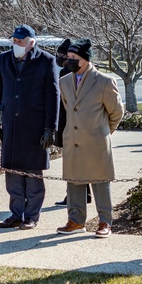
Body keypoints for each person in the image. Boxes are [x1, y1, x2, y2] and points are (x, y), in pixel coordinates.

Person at [0, 24, 59, 230]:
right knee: (13, 173)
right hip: (11, 125)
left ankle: (32, 215)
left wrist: (50, 129)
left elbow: (53, 96)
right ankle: (16, 214)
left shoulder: (46, 60)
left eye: (20, 41)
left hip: (34, 126)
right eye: (14, 40)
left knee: (33, 174)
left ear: (31, 42)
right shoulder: (4, 59)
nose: (16, 44)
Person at [55, 38, 123, 239]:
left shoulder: (104, 81)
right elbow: (69, 108)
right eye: (68, 57)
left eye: (74, 57)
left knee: (100, 181)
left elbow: (116, 113)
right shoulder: (64, 81)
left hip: (96, 140)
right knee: (74, 180)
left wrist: (102, 132)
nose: (69, 61)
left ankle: (105, 221)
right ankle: (76, 220)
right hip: (73, 139)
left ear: (85, 59)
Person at [53, 38, 91, 208]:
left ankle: (76, 195)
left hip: (69, 123)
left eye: (62, 55)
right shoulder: (65, 72)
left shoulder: (67, 73)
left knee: (74, 162)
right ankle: (84, 193)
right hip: (67, 122)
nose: (59, 57)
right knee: (76, 161)